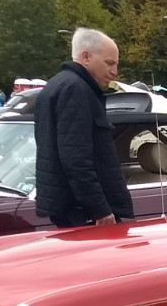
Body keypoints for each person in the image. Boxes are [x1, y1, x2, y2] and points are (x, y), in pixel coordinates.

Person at [34, 27, 133, 228]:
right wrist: (100, 209)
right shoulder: (76, 90)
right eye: (109, 63)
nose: (114, 72)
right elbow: (76, 159)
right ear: (85, 56)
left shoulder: (56, 86)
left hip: (70, 207)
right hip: (84, 213)